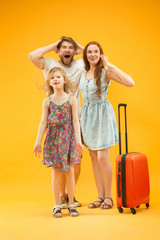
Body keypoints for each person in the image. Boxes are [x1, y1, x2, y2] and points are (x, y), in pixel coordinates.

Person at [28, 37, 84, 207]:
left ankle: (69, 194)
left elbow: (92, 54)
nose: (67, 50)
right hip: (55, 122)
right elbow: (32, 55)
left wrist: (75, 47)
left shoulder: (79, 64)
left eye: (70, 48)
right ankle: (62, 196)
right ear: (58, 51)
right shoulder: (50, 63)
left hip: (73, 120)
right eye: (63, 48)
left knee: (75, 161)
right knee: (58, 164)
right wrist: (55, 45)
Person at [79, 41, 134, 209]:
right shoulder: (82, 73)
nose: (93, 54)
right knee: (94, 158)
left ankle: (109, 197)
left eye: (96, 51)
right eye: (89, 52)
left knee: (103, 158)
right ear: (86, 55)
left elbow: (130, 82)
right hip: (87, 117)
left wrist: (109, 64)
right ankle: (100, 196)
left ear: (101, 54)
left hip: (102, 116)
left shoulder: (105, 72)